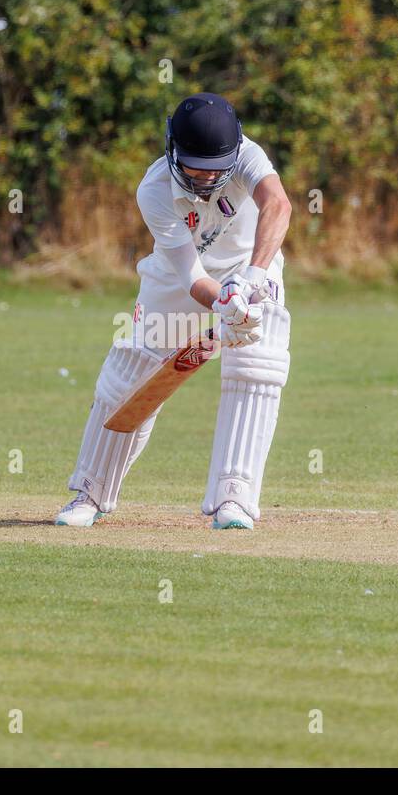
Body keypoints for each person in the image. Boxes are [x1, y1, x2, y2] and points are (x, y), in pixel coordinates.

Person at [56, 92, 293, 529]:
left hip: (250, 267)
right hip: (181, 275)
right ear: (173, 152)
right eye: (194, 168)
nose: (204, 180)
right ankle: (90, 491)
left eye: (214, 170)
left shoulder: (248, 157)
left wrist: (254, 281)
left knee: (260, 360)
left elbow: (278, 205)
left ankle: (234, 499)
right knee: (131, 372)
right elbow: (193, 277)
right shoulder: (154, 188)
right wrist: (224, 301)